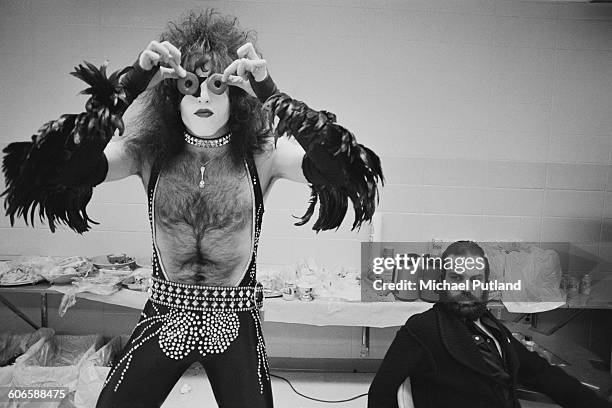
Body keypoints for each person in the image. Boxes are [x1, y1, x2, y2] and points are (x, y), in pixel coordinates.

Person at [1, 10, 383, 408]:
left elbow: (342, 172)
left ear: (236, 94)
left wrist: (274, 97)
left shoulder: (264, 154)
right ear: (171, 92)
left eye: (216, 85)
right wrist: (128, 88)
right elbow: (63, 169)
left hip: (235, 320)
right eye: (190, 84)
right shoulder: (146, 152)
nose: (202, 96)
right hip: (166, 315)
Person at [368, 240, 612, 408]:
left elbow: (540, 372)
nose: (466, 288)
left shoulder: (489, 324)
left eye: (475, 280)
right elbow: (380, 393)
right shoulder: (423, 329)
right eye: (456, 278)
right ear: (442, 281)